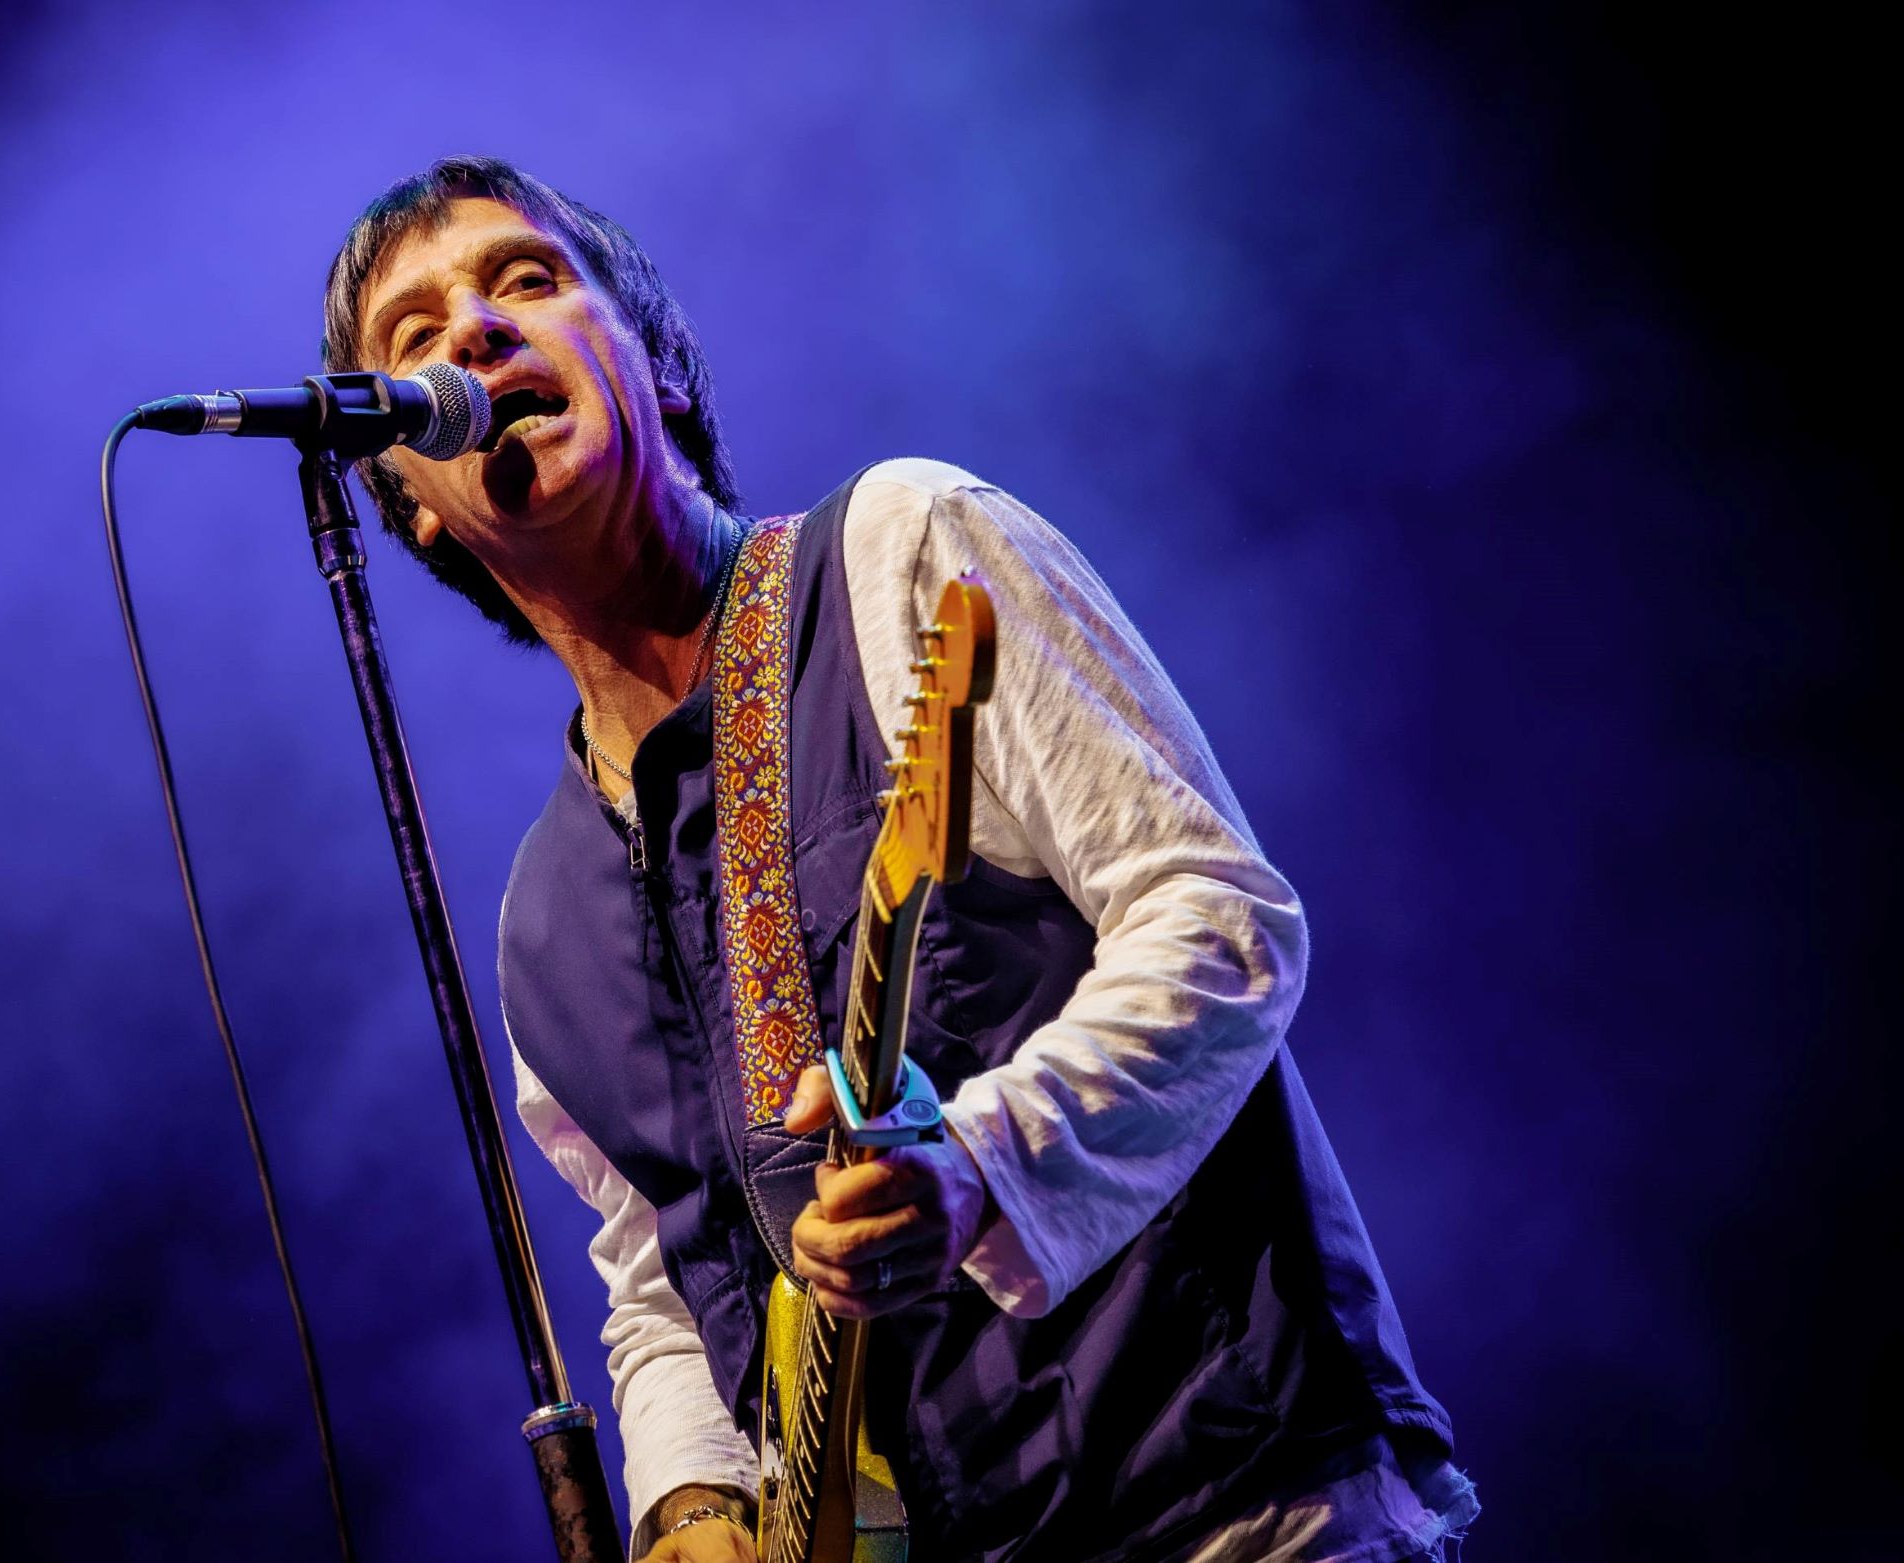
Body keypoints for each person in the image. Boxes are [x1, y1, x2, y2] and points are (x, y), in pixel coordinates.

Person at [319, 157, 1478, 1563]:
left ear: (660, 367)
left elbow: (1218, 921)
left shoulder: (900, 550)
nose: (476, 330)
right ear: (410, 495)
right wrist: (687, 1500)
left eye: (527, 279)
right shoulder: (540, 926)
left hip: (1225, 1500)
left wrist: (981, 1167)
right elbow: (662, 1283)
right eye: (416, 334)